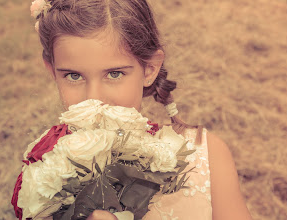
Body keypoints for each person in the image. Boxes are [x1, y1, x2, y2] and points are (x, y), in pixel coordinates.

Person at [20, 0, 253, 219]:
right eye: (74, 75)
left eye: (114, 74)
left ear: (150, 69)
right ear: (52, 71)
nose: (94, 99)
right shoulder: (44, 172)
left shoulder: (206, 156)